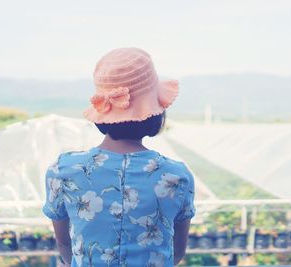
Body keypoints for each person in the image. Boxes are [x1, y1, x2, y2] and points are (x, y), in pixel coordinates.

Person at [42, 47, 196, 267]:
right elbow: (177, 252)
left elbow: (65, 248)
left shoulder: (63, 170)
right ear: (155, 111)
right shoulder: (176, 175)